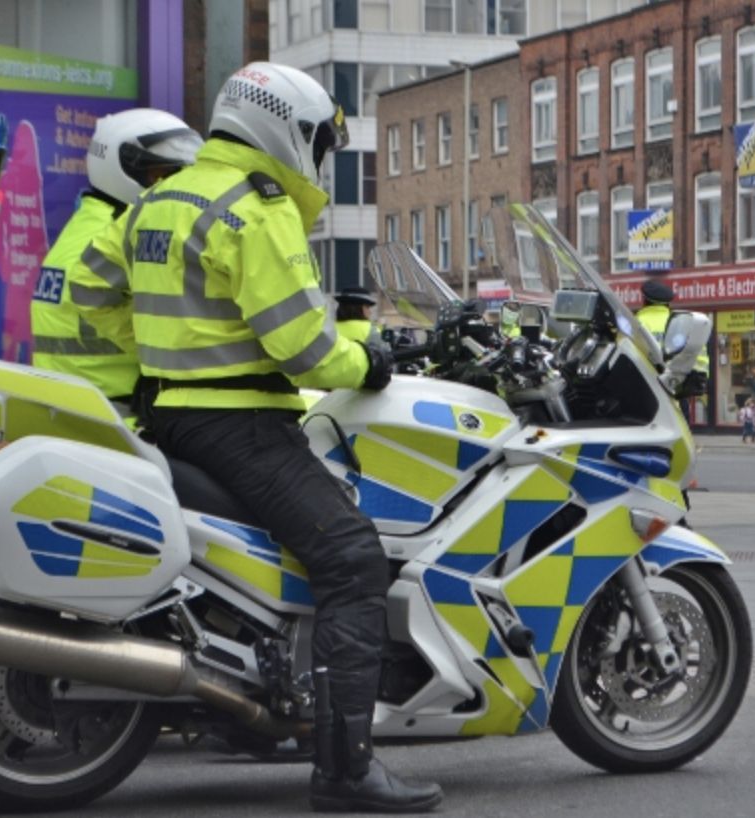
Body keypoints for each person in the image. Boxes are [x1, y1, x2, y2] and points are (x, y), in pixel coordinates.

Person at [71, 62, 442, 813]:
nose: (317, 157)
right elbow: (304, 349)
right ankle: (344, 771)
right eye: (316, 141)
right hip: (240, 423)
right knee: (351, 561)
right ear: (285, 129)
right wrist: (365, 359)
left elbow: (88, 291)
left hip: (168, 415)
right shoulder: (256, 207)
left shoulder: (158, 198)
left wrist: (158, 351)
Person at [31, 109, 202, 404]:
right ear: (121, 168)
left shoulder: (83, 230)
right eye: (160, 176)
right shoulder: (125, 239)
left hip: (73, 410)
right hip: (124, 415)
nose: (174, 187)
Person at [636, 280, 709, 418]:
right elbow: (699, 356)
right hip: (678, 393)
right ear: (667, 303)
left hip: (646, 394)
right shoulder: (684, 323)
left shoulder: (636, 323)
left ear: (644, 300)